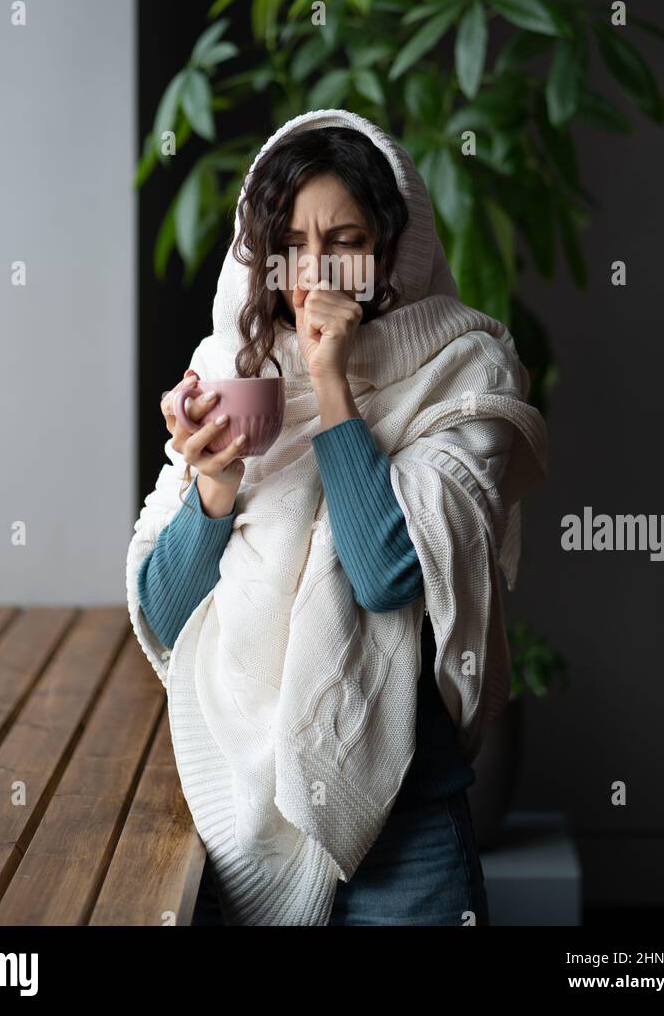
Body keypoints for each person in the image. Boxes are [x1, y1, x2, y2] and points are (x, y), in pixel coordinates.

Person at [125, 109, 548, 927]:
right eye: (293, 243)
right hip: (240, 823)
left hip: (409, 830)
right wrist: (211, 488)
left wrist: (333, 385)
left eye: (346, 241)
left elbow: (389, 573)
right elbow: (164, 614)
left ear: (394, 249)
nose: (315, 271)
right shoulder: (226, 374)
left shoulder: (465, 372)